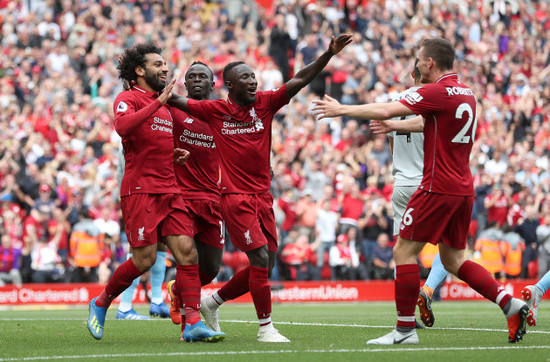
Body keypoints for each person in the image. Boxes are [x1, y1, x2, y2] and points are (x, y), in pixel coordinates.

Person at [312, 37, 528, 345]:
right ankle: (510, 304)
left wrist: (341, 109)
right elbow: (426, 124)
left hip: (436, 185)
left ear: (429, 63)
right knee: (453, 260)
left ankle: (403, 330)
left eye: (417, 60)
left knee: (403, 251)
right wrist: (397, 127)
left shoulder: (435, 91)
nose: (415, 65)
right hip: (463, 188)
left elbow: (388, 109)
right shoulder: (467, 95)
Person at [168, 34, 353, 342]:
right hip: (234, 198)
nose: (253, 82)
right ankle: (266, 328)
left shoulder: (267, 103)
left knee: (267, 264)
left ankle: (212, 302)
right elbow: (173, 100)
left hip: (263, 197)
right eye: (246, 78)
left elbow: (301, 78)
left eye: (253, 76)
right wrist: (138, 80)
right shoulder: (215, 111)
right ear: (230, 85)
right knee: (260, 260)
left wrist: (328, 54)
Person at [86, 42, 224, 343]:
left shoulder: (162, 105)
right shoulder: (129, 98)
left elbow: (151, 141)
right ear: (139, 70)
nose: (165, 68)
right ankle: (101, 302)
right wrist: (159, 100)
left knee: (187, 255)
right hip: (141, 191)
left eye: (165, 64)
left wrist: (171, 154)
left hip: (170, 191)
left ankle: (192, 324)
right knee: (144, 260)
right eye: (158, 64)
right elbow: (124, 128)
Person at [163, 61, 226, 334]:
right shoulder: (173, 109)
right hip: (181, 198)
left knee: (211, 269)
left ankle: (176, 289)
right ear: (185, 84)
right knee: (187, 257)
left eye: (203, 76)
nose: (197, 80)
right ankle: (192, 324)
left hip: (213, 199)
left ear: (213, 84)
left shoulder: (224, 114)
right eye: (192, 76)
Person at [385, 61, 448, 327]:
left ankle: (406, 315)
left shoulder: (394, 101)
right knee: (450, 248)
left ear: (412, 74)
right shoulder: (434, 103)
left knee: (403, 251)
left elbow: (390, 141)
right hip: (427, 183)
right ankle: (429, 290)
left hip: (401, 183)